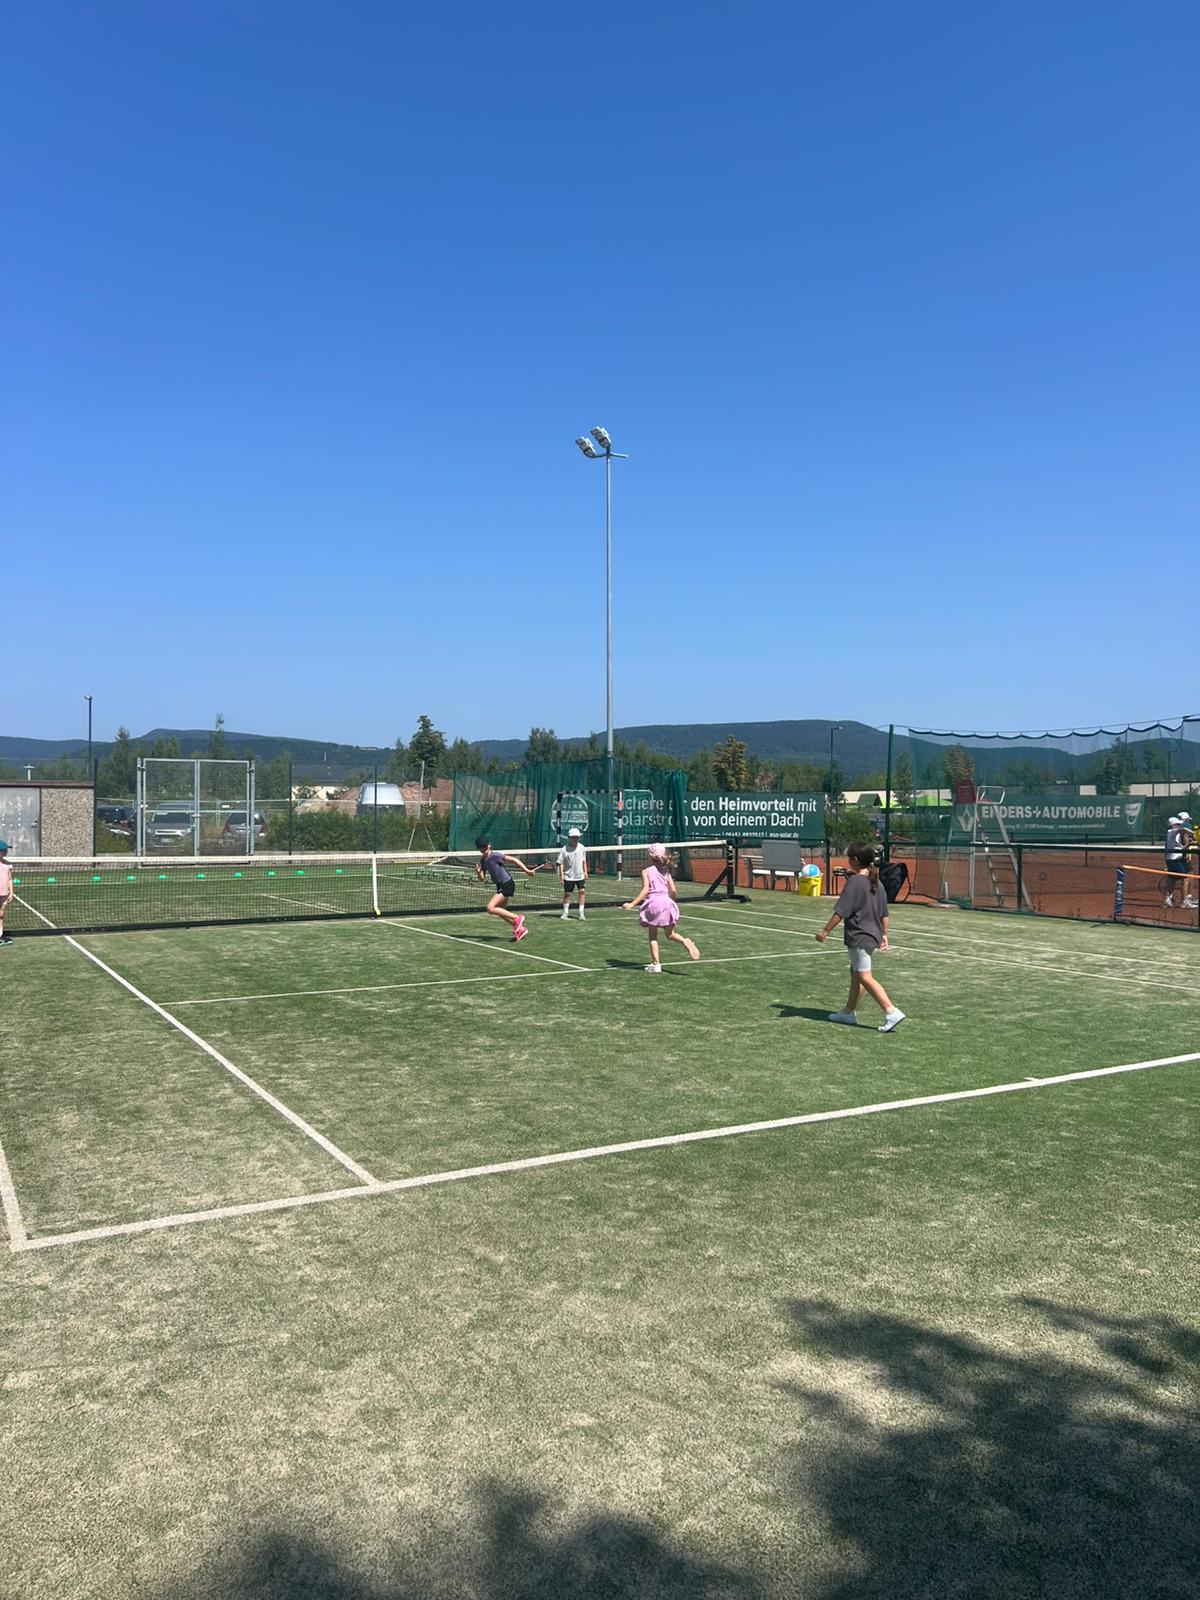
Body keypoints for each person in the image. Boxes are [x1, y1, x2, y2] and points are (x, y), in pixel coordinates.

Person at [815, 842, 905, 1032]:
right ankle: (848, 1012)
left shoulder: (855, 882)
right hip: (872, 935)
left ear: (855, 860)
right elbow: (884, 914)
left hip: (859, 936)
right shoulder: (877, 882)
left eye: (849, 858)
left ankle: (891, 1011)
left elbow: (841, 911)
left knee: (864, 976)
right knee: (856, 972)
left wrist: (825, 931)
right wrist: (885, 934)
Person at [623, 842, 699, 973]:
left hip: (654, 904)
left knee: (653, 937)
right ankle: (684, 941)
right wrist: (672, 902)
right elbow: (673, 890)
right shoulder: (666, 872)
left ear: (651, 856)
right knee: (670, 934)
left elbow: (645, 890)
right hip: (666, 903)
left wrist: (632, 904)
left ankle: (656, 965)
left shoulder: (646, 871)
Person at [474, 837, 538, 941]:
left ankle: (517, 918)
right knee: (502, 912)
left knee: (490, 908)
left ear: (489, 845)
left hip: (507, 884)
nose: (484, 849)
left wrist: (527, 871)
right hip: (500, 885)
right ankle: (521, 929)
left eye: (485, 846)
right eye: (482, 847)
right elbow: (482, 879)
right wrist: (478, 872)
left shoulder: (495, 856)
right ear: (478, 849)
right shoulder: (483, 861)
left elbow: (514, 860)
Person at [557, 825, 588, 920]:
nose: (575, 839)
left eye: (577, 837)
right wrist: (561, 876)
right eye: (573, 837)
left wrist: (585, 872)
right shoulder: (564, 849)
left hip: (580, 876)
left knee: (582, 892)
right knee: (568, 894)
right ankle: (565, 913)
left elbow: (584, 861)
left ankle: (581, 913)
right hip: (568, 876)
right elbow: (561, 863)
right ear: (569, 838)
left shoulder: (582, 848)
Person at [1163, 815, 1190, 909]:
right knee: (1185, 878)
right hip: (1175, 859)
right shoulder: (1171, 831)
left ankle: (1167, 899)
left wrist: (1185, 845)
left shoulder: (1171, 832)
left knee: (1172, 878)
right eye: (1177, 824)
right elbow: (1181, 830)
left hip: (1172, 859)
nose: (1179, 825)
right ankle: (1184, 901)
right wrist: (1191, 832)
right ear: (1172, 825)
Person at [1174, 812, 1198, 909]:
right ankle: (1187, 898)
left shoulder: (1175, 827)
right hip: (1185, 854)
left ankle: (1185, 897)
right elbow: (1186, 840)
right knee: (1188, 874)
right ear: (1185, 819)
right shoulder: (1186, 826)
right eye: (1187, 819)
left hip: (1176, 854)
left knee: (1185, 874)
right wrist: (1191, 843)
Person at [0, 841, 12, 945]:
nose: (6, 852)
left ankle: (0, 936)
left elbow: (10, 879)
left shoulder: (8, 864)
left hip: (4, 894)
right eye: (4, 850)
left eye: (6, 850)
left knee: (1, 915)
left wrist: (11, 892)